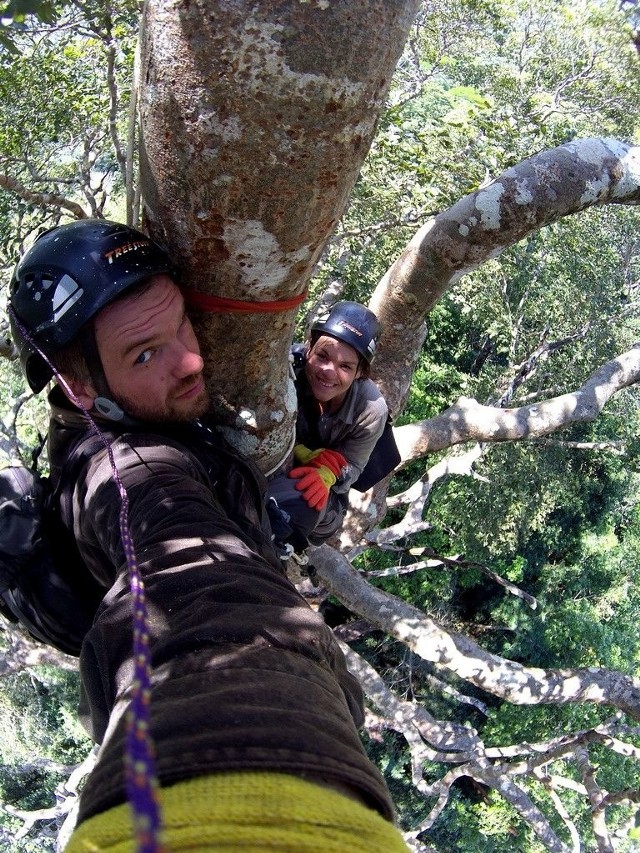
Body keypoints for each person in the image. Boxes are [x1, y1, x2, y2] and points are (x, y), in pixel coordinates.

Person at [8, 219, 410, 852]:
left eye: (184, 326)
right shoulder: (129, 475)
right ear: (75, 385)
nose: (192, 360)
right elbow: (190, 576)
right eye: (145, 353)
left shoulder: (362, 406)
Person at [267, 301, 388, 555]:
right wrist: (298, 449)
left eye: (345, 366)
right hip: (278, 461)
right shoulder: (285, 369)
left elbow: (353, 466)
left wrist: (327, 474)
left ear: (360, 373)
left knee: (300, 499)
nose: (329, 372)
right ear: (308, 348)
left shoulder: (370, 409)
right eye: (322, 356)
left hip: (325, 500)